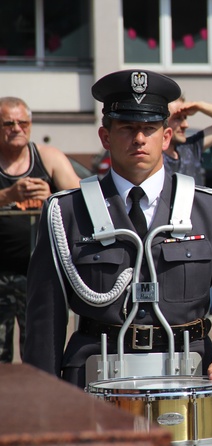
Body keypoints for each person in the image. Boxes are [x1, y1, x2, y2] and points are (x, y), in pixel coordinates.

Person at [23, 70, 212, 393]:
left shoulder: (209, 209)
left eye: (149, 129)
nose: (139, 138)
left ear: (166, 137)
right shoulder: (67, 212)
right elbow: (44, 316)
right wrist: (44, 398)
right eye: (127, 128)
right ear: (105, 137)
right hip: (95, 377)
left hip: (189, 377)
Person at [0, 96, 80, 364]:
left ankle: (32, 405)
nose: (16, 128)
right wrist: (8, 195)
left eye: (22, 122)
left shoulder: (48, 157)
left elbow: (81, 199)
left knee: (39, 350)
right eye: (8, 123)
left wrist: (53, 196)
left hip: (38, 272)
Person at [163, 95, 212, 185]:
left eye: (185, 117)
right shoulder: (152, 157)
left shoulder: (190, 148)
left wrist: (199, 106)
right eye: (178, 118)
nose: (185, 125)